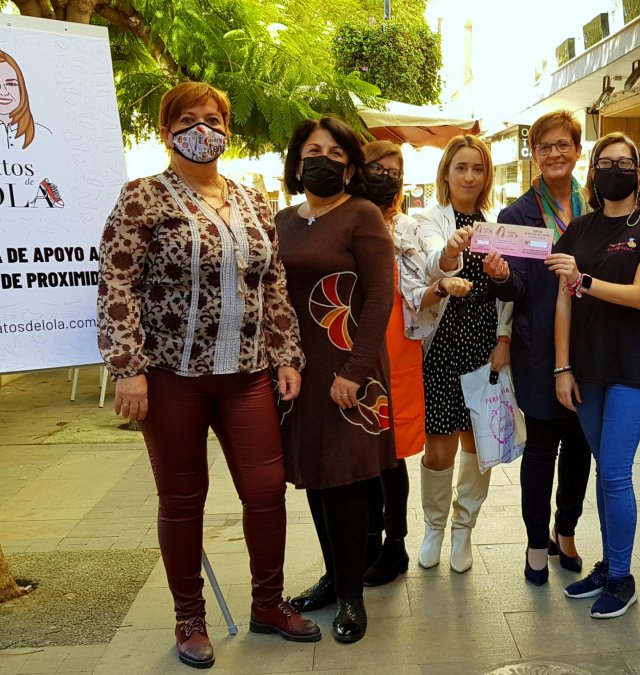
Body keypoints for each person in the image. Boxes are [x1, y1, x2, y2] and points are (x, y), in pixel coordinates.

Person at [97, 82, 320, 669]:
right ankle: (189, 617)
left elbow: (271, 284)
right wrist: (128, 369)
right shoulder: (143, 198)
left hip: (246, 375)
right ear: (168, 131)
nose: (204, 129)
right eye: (189, 119)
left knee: (266, 491)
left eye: (214, 118)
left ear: (227, 128)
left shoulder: (250, 201)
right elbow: (117, 282)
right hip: (171, 377)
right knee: (182, 497)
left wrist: (287, 354)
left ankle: (268, 604)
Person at [552, 132, 640, 619]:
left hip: (633, 365)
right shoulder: (580, 228)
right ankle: (609, 566)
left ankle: (622, 577)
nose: (614, 170)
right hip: (586, 367)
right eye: (605, 162)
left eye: (624, 163)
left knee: (614, 472)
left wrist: (583, 279)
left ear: (638, 172)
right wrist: (562, 367)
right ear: (594, 173)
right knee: (605, 471)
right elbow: (562, 302)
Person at [276, 116, 396, 644]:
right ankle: (333, 577)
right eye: (311, 151)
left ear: (348, 167)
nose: (321, 160)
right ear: (296, 161)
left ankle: (352, 596)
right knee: (316, 477)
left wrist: (354, 371)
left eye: (334, 154)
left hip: (350, 368)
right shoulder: (280, 220)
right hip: (295, 372)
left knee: (346, 479)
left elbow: (380, 300)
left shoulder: (362, 215)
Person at [483, 111, 592, 586]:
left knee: (582, 444)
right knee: (544, 445)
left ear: (576, 149)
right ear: (534, 154)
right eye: (545, 146)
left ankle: (565, 530)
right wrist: (504, 277)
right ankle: (534, 540)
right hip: (539, 350)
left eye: (563, 144)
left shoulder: (599, 206)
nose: (555, 154)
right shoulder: (517, 217)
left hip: (593, 346)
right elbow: (518, 290)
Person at [411, 135, 508, 574]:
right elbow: (433, 261)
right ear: (446, 173)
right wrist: (452, 250)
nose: (469, 176)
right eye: (461, 167)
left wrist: (504, 340)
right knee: (438, 446)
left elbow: (508, 293)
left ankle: (464, 527)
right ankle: (433, 526)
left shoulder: (498, 224)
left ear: (486, 176)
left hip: (485, 343)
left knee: (480, 442)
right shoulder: (427, 219)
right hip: (441, 343)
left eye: (477, 168)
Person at [358, 140, 428, 585]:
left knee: (390, 453)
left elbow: (423, 286)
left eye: (394, 170)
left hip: (398, 346)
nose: (385, 177)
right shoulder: (343, 219)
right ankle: (365, 540)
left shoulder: (408, 228)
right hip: (351, 346)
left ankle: (395, 544)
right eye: (376, 168)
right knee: (359, 451)